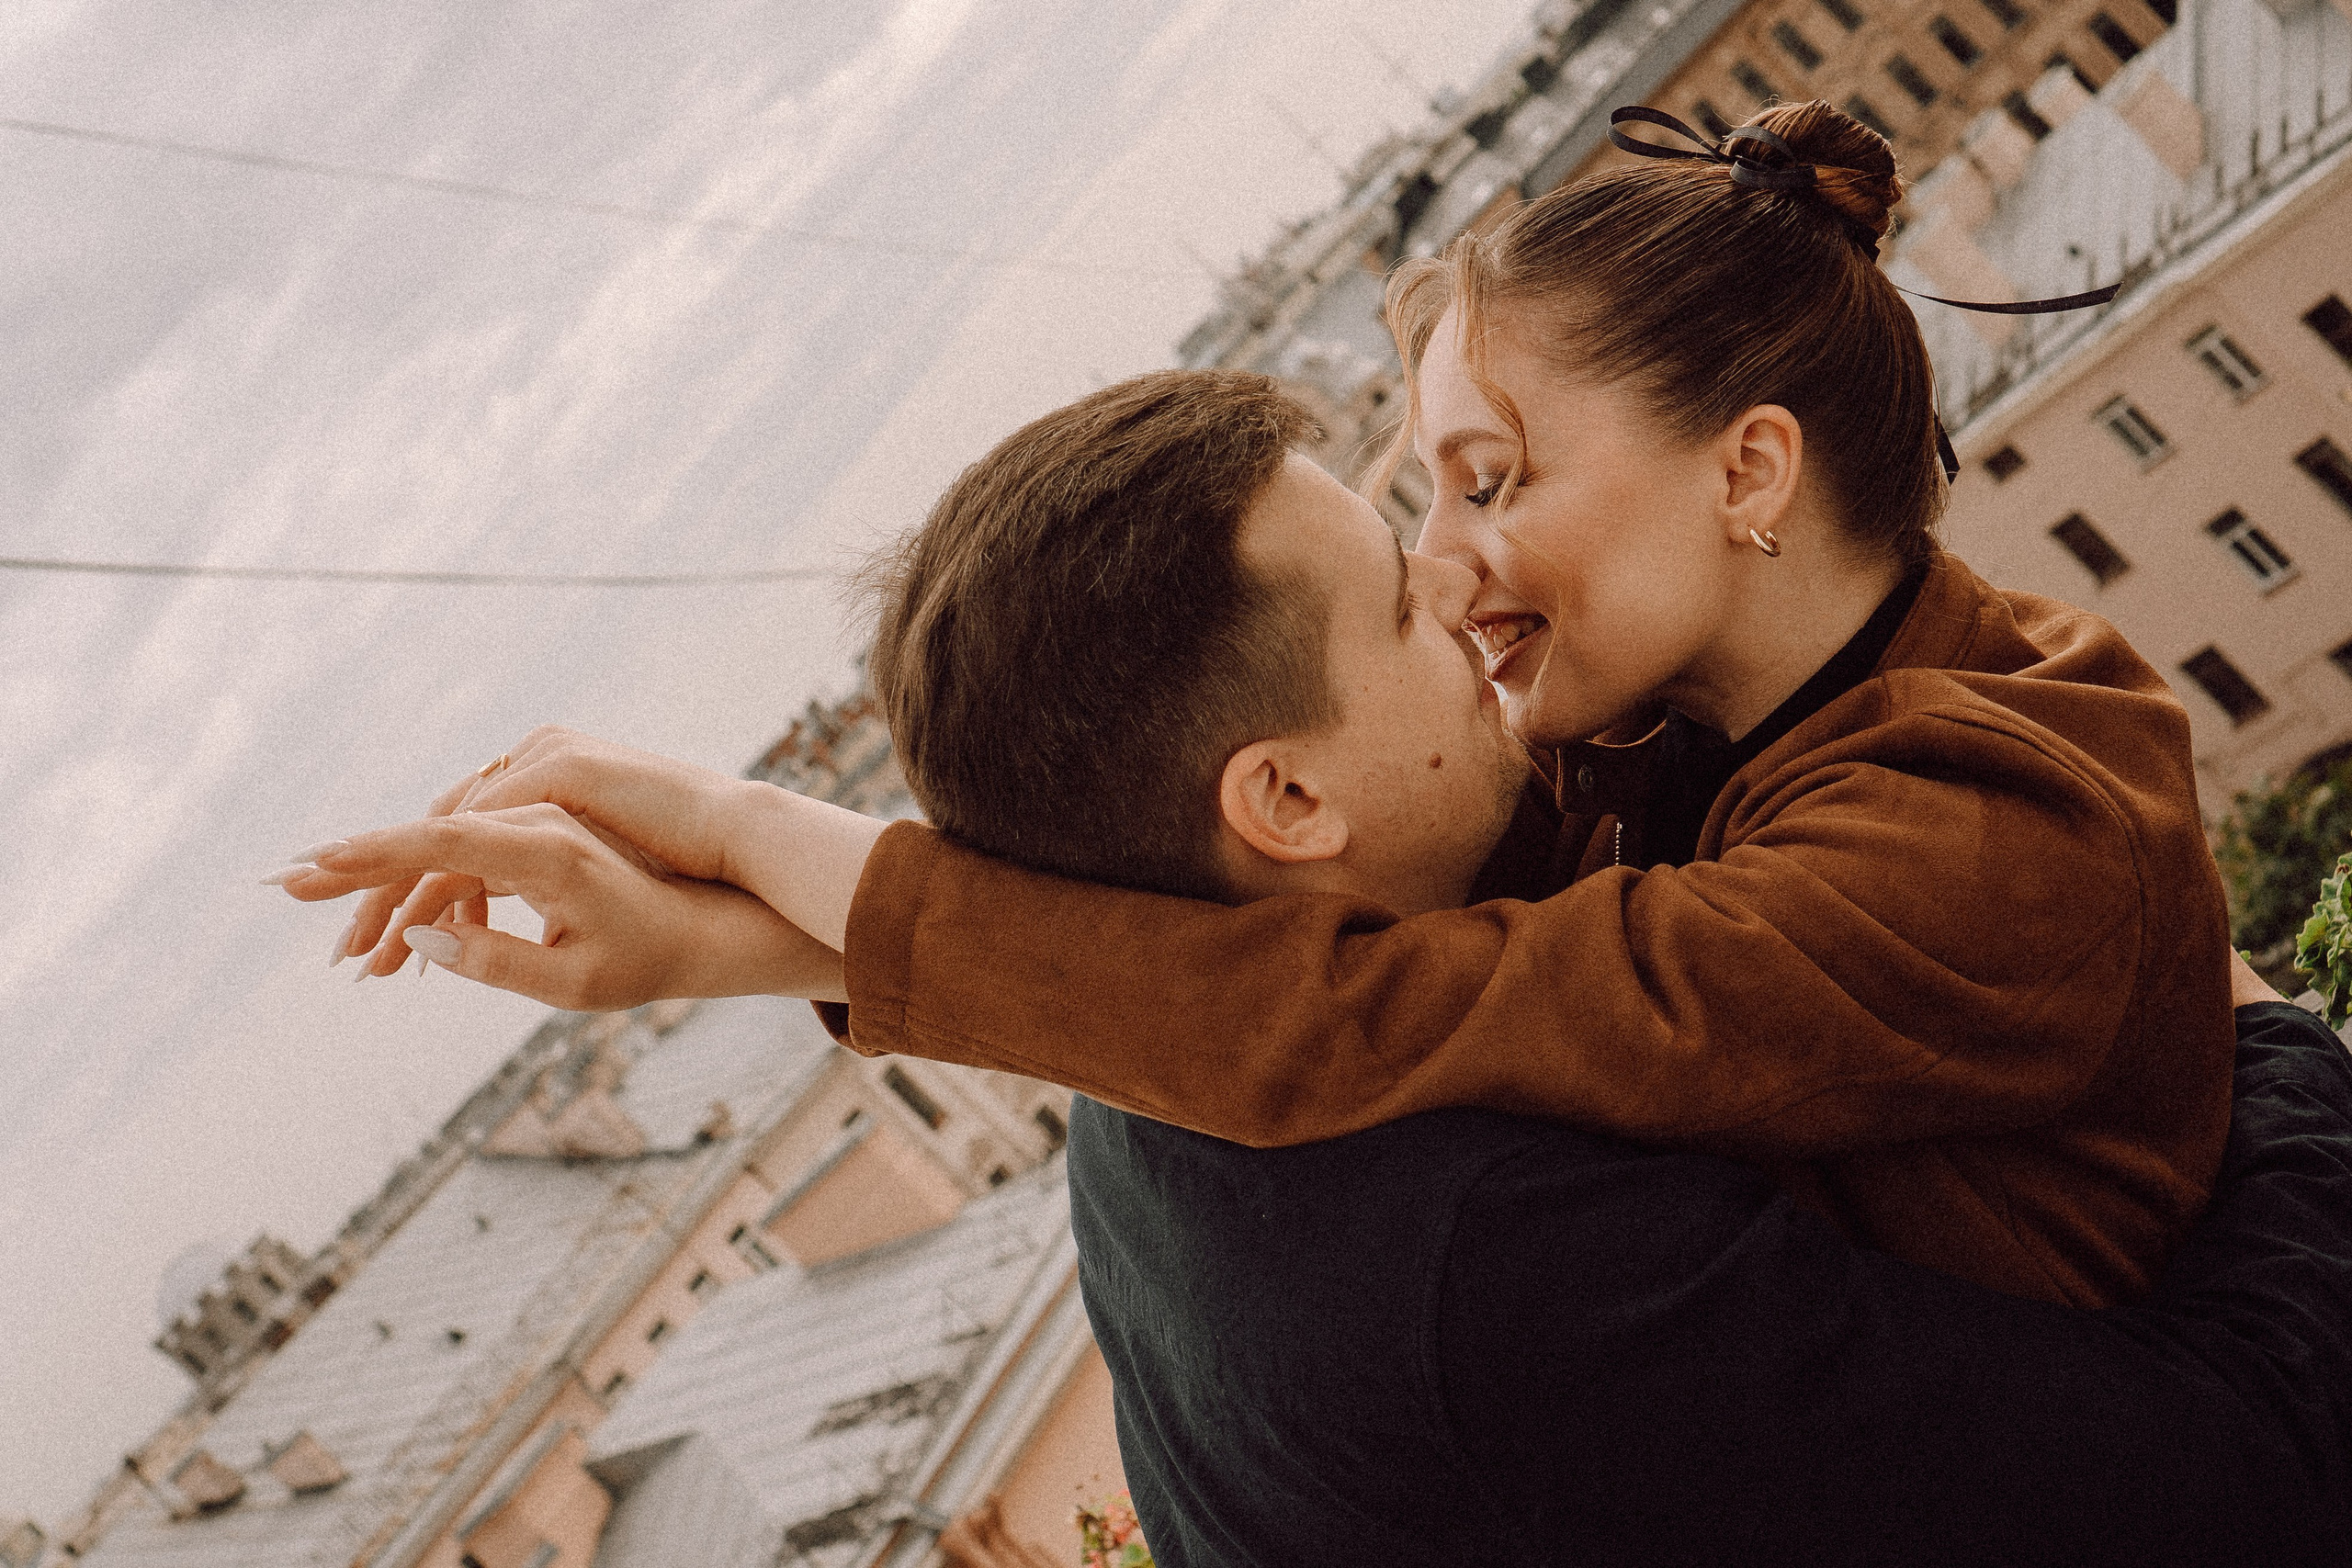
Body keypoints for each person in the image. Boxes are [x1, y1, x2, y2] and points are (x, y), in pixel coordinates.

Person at [277, 368, 2352, 1563]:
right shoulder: (1509, 1252)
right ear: (1277, 803)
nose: (1463, 580)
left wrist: (774, 914)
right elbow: (2247, 1470)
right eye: (1394, 595)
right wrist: (2257, 1044)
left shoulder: (1164, 1090)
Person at [349, 100, 2239, 1312]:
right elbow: (1298, 901)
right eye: (1427, 490)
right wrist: (734, 948)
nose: (1440, 561)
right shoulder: (1698, 737)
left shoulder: (1976, 833)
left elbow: (1369, 1012)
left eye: (1486, 478)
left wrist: (771, 843)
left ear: (1746, 474)